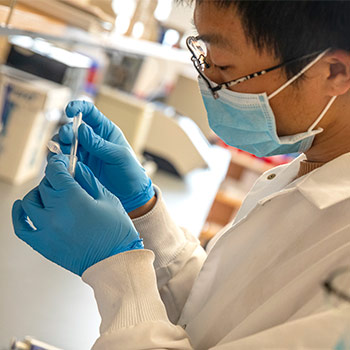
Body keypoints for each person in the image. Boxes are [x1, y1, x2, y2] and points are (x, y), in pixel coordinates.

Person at [11, 0, 350, 348]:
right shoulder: (311, 166)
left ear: (335, 72)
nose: (210, 83)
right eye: (204, 59)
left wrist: (118, 269)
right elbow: (213, 313)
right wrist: (144, 211)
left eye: (222, 65)